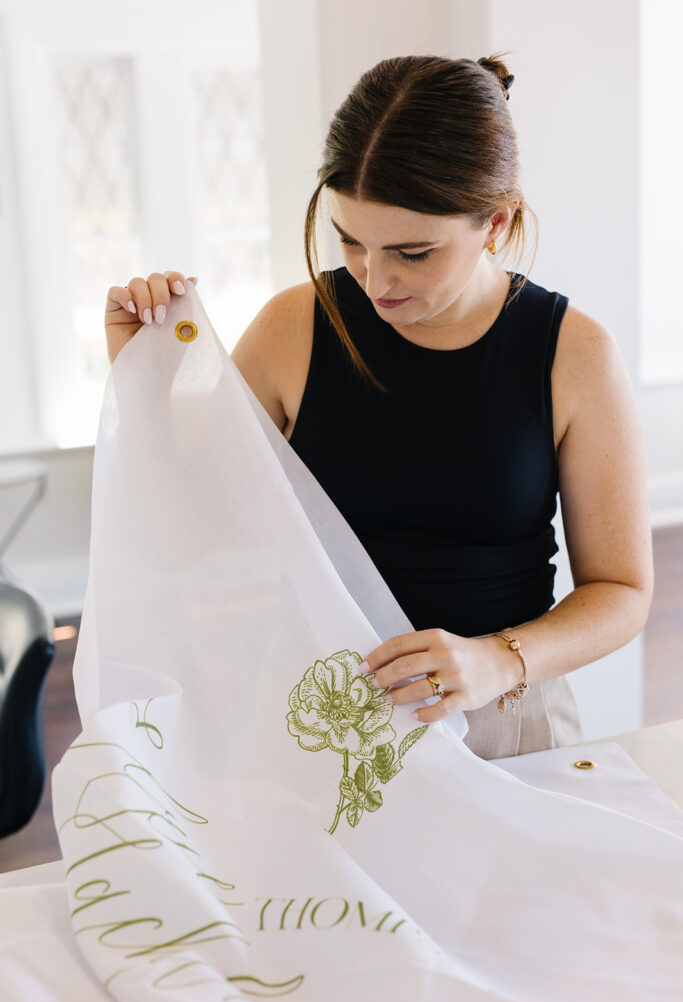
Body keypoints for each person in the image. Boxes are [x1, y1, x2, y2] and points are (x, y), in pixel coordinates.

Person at [104, 55, 653, 759]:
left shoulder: (575, 355)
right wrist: (141, 375)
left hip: (503, 720)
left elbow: (621, 591)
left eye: (413, 252)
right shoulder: (291, 327)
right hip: (316, 717)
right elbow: (198, 525)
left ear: (495, 221)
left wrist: (498, 659)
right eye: (350, 241)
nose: (375, 280)